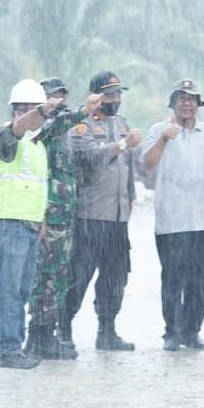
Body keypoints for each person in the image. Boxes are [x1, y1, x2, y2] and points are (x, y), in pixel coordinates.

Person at [24, 77, 102, 360]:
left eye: (61, 96)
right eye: (52, 97)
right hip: (47, 217)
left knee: (58, 278)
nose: (58, 102)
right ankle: (37, 337)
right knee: (43, 279)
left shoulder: (65, 133)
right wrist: (84, 110)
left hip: (65, 217)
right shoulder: (39, 129)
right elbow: (56, 125)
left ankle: (48, 334)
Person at [63, 70, 142, 351]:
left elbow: (128, 167)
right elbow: (89, 156)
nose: (115, 99)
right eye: (109, 95)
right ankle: (64, 329)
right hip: (91, 215)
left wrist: (130, 199)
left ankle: (107, 331)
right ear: (94, 96)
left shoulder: (122, 124)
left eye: (118, 94)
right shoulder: (81, 125)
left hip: (117, 217)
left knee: (115, 277)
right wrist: (122, 144)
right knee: (79, 276)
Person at [143, 79, 204, 351]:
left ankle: (192, 331)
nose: (187, 104)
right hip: (172, 219)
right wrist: (164, 139)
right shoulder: (158, 130)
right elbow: (147, 164)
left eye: (192, 99)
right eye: (181, 98)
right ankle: (172, 332)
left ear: (198, 104)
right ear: (172, 103)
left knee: (199, 281)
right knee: (173, 279)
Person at [0, 79, 60, 369]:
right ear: (14, 112)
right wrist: (40, 111)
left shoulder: (36, 145)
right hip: (10, 225)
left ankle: (13, 347)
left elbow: (37, 187)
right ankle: (8, 349)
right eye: (27, 109)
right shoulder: (5, 137)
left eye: (36, 109)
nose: (33, 115)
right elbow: (16, 130)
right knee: (9, 290)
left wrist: (40, 221)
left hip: (29, 226)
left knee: (21, 291)